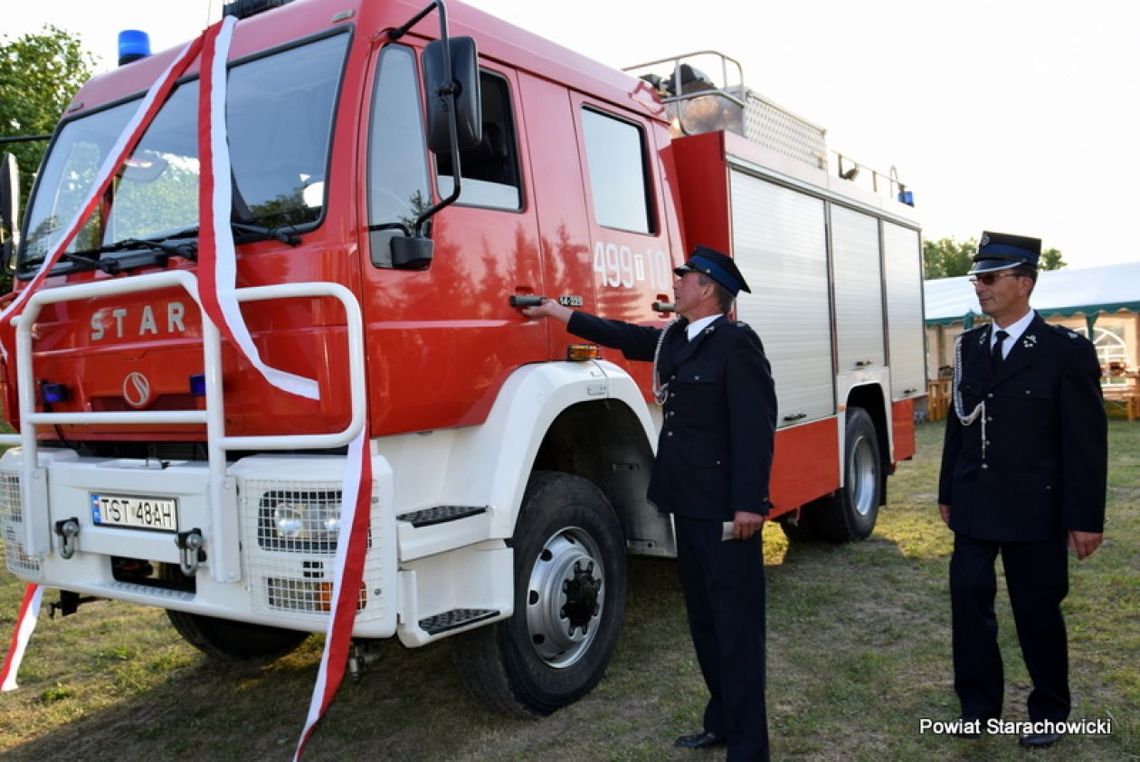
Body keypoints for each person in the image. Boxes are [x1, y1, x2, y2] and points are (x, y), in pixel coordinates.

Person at [520, 245, 777, 761]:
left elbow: (755, 429)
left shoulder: (737, 345)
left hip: (728, 510)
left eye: (684, 277)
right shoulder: (679, 339)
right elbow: (623, 336)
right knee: (705, 622)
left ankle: (750, 748)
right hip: (688, 503)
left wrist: (749, 503)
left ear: (707, 288)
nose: (676, 283)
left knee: (736, 628)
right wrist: (556, 312)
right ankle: (721, 722)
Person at [938, 231, 1107, 749]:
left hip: (1036, 506)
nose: (980, 289)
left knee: (1036, 610)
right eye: (977, 280)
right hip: (973, 502)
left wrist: (1085, 518)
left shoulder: (1063, 352)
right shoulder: (969, 346)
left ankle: (1049, 709)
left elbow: (1085, 442)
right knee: (969, 603)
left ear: (1024, 283)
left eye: (989, 279)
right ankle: (978, 707)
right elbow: (957, 426)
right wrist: (947, 490)